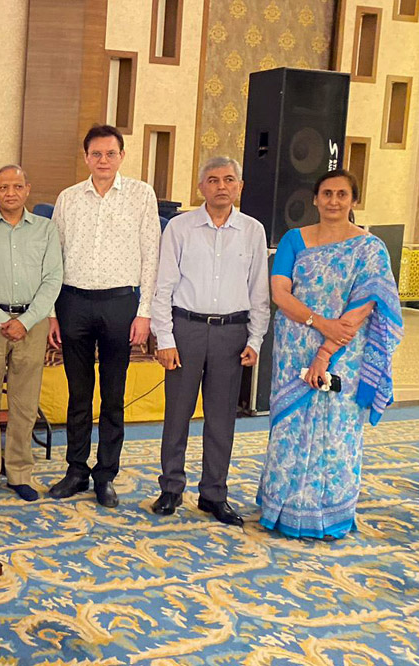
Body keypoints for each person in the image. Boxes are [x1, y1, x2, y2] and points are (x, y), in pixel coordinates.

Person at [257, 169, 402, 540]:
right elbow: (281, 294)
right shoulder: (294, 240)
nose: (333, 201)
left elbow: (362, 308)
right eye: (326, 193)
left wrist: (325, 352)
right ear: (315, 199)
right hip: (294, 347)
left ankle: (331, 512)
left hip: (344, 353)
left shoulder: (370, 249)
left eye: (341, 194)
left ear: (354, 200)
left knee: (337, 431)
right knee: (290, 428)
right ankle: (282, 510)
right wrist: (320, 323)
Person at [149, 157, 270, 526]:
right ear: (201, 187)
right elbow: (163, 286)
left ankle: (213, 494)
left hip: (231, 334)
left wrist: (256, 339)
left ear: (240, 186)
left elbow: (259, 292)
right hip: (186, 330)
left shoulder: (253, 231)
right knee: (178, 415)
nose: (221, 186)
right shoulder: (180, 227)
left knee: (221, 419)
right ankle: (171, 488)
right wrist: (165, 338)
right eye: (213, 180)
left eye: (229, 179)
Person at [46, 124, 160, 507]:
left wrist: (144, 314)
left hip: (120, 305)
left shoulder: (142, 196)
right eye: (96, 154)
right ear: (86, 157)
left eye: (110, 154)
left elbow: (151, 258)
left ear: (122, 156)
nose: (103, 161)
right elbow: (54, 258)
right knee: (79, 395)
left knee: (113, 396)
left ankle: (105, 474)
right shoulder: (68, 198)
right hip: (73, 302)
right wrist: (51, 313)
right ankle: (76, 469)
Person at [0, 165, 62, 500]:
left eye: (17, 186)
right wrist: (1, 317)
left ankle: (20, 473)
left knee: (24, 403)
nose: (10, 193)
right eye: (3, 187)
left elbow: (52, 281)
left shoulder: (46, 231)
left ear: (27, 189)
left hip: (31, 325)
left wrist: (27, 320)